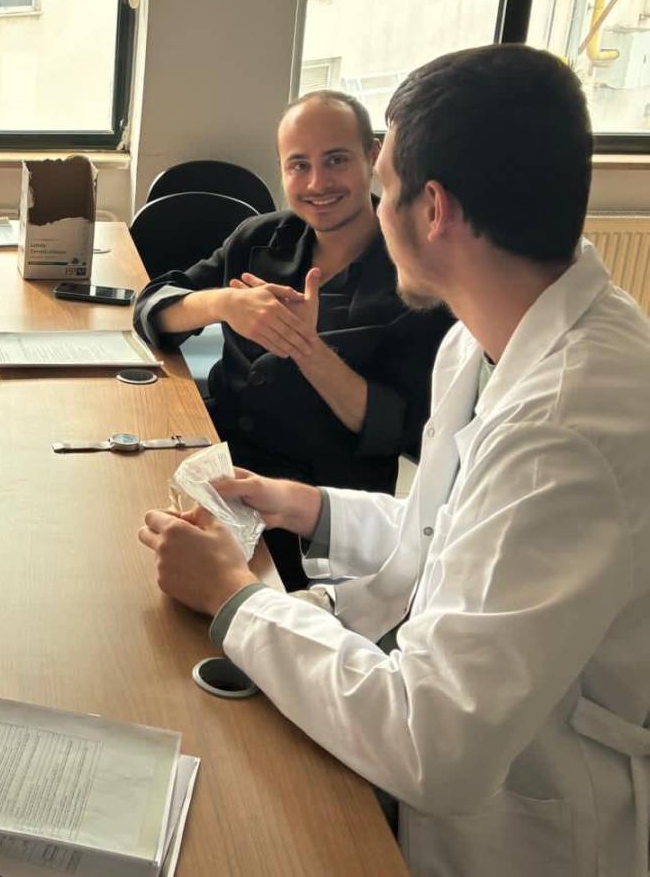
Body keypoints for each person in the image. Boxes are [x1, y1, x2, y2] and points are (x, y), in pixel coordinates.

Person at [139, 45, 650, 876]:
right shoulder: (484, 342)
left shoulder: (567, 426)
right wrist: (305, 504)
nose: (366, 207)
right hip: (438, 770)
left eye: (380, 184)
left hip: (517, 833)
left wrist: (235, 599)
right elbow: (449, 535)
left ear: (433, 208)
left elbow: (433, 743)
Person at [134, 91, 453, 589]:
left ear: (372, 157)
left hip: (318, 519)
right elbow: (154, 305)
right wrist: (223, 304)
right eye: (299, 165)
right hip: (217, 469)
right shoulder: (259, 238)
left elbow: (407, 433)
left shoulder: (417, 277)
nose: (317, 183)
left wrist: (307, 350)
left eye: (336, 160)